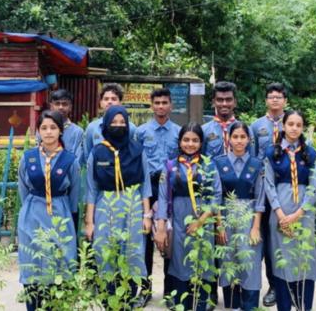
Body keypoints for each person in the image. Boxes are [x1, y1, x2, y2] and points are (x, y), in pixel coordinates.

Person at [85, 106, 152, 302]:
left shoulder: (137, 151)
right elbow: (91, 188)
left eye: (122, 122)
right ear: (106, 125)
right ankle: (108, 298)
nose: (118, 126)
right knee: (104, 249)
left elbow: (145, 184)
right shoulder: (97, 152)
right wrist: (89, 222)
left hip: (132, 204)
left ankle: (128, 298)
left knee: (132, 250)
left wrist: (147, 215)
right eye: (114, 122)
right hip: (105, 204)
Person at [154, 123, 222, 311]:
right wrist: (161, 228)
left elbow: (217, 196)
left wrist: (200, 221)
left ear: (201, 143)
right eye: (186, 140)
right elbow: (162, 197)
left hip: (204, 220)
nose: (190, 144)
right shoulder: (170, 166)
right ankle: (181, 304)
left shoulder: (209, 165)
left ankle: (202, 304)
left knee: (203, 259)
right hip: (178, 220)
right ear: (180, 141)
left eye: (195, 140)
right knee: (180, 261)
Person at [17, 110, 80, 311]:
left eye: (53, 127)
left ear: (61, 130)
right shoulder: (28, 158)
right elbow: (23, 190)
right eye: (44, 128)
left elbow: (74, 196)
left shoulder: (70, 160)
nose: (48, 132)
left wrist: (68, 218)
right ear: (38, 131)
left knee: (59, 264)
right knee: (32, 264)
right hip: (32, 216)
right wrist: (33, 207)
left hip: (60, 216)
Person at [264, 110, 316, 311]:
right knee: (282, 260)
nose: (294, 128)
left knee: (303, 259)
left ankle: (304, 306)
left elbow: (314, 187)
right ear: (283, 126)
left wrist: (298, 214)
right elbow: (269, 185)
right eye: (290, 124)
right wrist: (281, 215)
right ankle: (284, 306)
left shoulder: (311, 154)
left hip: (304, 215)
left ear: (303, 128)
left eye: (298, 125)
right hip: (279, 215)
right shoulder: (272, 153)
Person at [135, 87, 181, 306]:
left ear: (171, 105)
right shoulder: (141, 132)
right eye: (157, 103)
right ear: (151, 105)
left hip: (171, 188)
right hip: (149, 187)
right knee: (145, 241)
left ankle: (169, 292)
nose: (161, 106)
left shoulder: (178, 132)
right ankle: (145, 290)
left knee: (169, 238)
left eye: (165, 102)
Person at [213, 122, 264, 311]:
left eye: (243, 137)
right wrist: (219, 225)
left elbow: (260, 198)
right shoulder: (219, 162)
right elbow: (216, 196)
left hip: (249, 217)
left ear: (249, 139)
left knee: (249, 260)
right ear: (228, 138)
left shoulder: (257, 164)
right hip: (225, 217)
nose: (239, 141)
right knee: (228, 259)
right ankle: (232, 305)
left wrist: (255, 227)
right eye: (235, 137)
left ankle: (249, 305)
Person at [251, 82, 287, 307]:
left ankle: (280, 284)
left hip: (285, 188)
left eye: (279, 97)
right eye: (271, 96)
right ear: (265, 100)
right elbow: (253, 157)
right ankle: (264, 284)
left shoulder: (291, 123)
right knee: (262, 237)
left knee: (279, 238)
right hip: (262, 188)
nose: (275, 100)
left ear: (285, 101)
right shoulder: (256, 126)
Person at [84, 83, 136, 161]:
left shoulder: (130, 128)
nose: (109, 102)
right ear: (100, 103)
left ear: (120, 103)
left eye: (114, 99)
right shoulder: (92, 128)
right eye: (106, 99)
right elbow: (88, 155)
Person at [202, 81, 254, 158]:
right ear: (213, 102)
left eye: (228, 100)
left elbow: (252, 158)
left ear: (235, 102)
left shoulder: (247, 130)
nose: (224, 104)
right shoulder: (204, 130)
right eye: (220, 100)